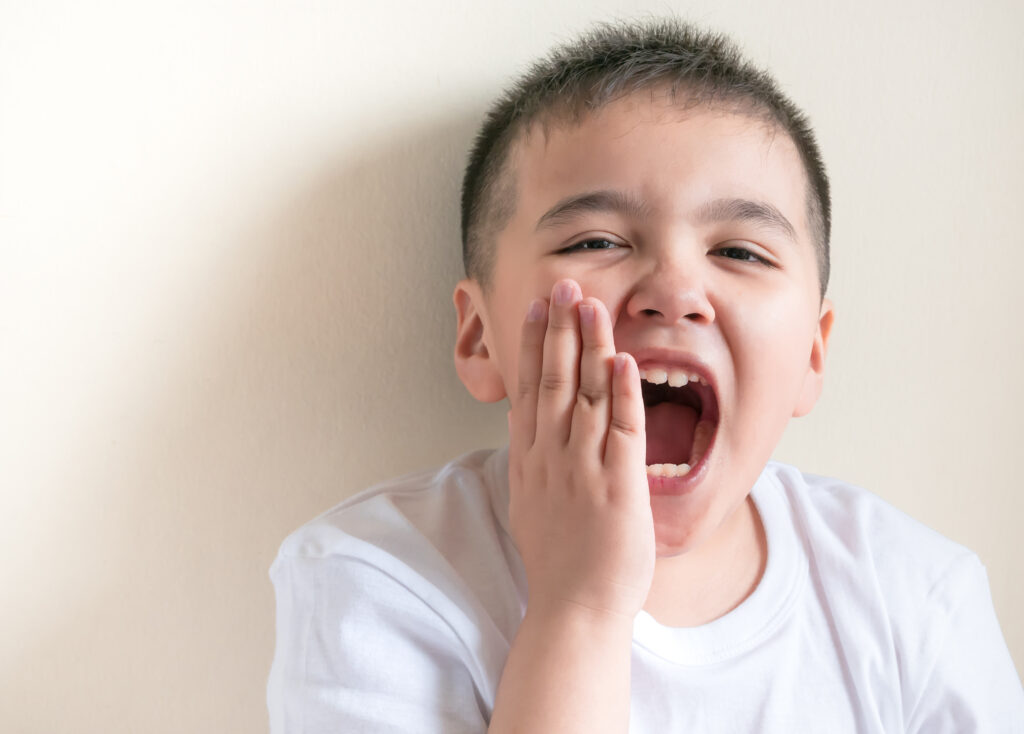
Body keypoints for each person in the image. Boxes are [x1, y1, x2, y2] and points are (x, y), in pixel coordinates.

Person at [266, 18, 1024, 733]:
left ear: (813, 356)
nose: (674, 290)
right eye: (596, 240)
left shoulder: (919, 602)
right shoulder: (377, 579)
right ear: (479, 336)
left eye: (741, 252)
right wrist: (578, 609)